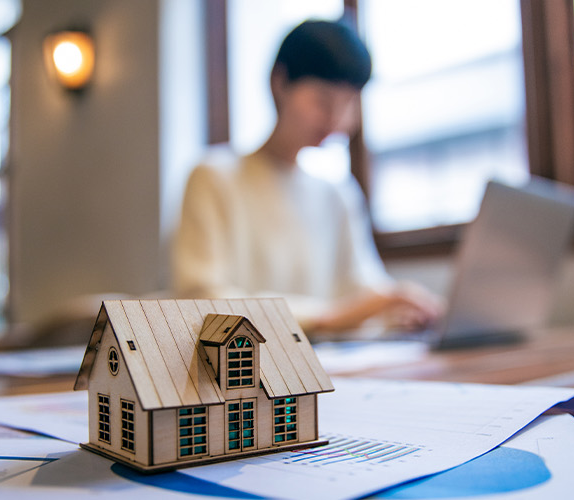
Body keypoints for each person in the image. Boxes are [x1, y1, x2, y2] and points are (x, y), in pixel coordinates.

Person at [172, 20, 441, 335]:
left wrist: (398, 310)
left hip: (342, 369)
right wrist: (329, 317)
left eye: (349, 103)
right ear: (279, 82)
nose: (336, 118)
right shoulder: (214, 177)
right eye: (323, 101)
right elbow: (201, 299)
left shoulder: (338, 193)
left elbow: (364, 288)